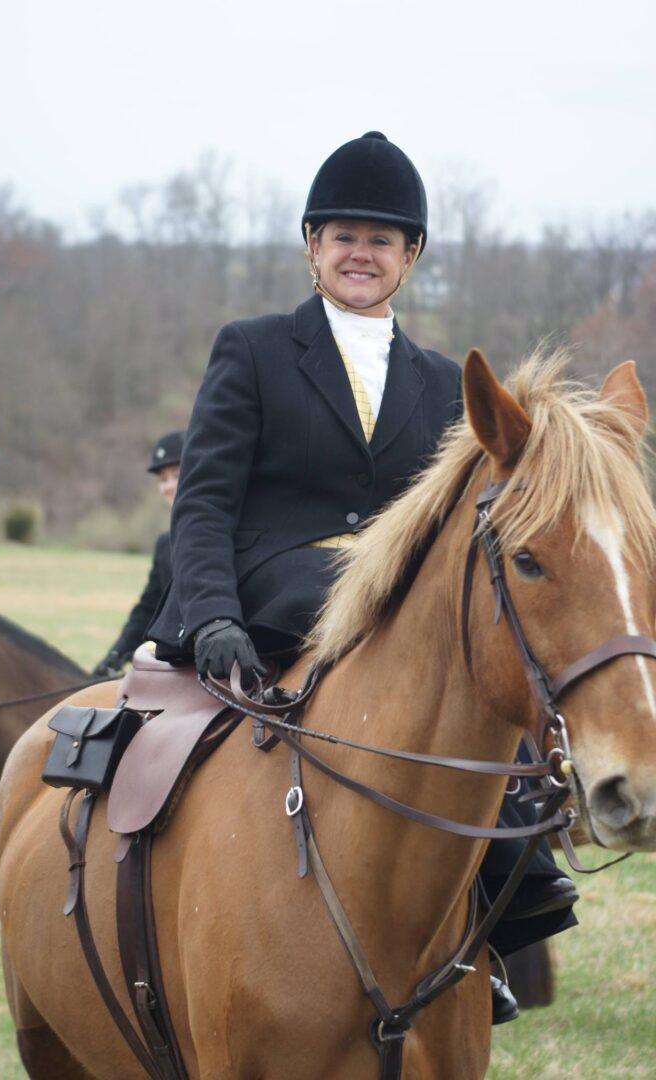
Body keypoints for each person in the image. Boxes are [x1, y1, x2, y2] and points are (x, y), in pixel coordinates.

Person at [148, 132, 577, 1022]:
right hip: (277, 595)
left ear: (409, 257)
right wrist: (212, 615)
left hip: (394, 618)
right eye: (344, 235)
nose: (361, 253)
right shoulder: (255, 350)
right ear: (313, 246)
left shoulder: (438, 381)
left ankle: (506, 898)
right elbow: (205, 507)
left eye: (382, 240)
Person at [92, 430, 185, 678]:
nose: (169, 486)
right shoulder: (165, 545)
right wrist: (116, 656)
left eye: (177, 475)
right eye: (163, 479)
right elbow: (148, 608)